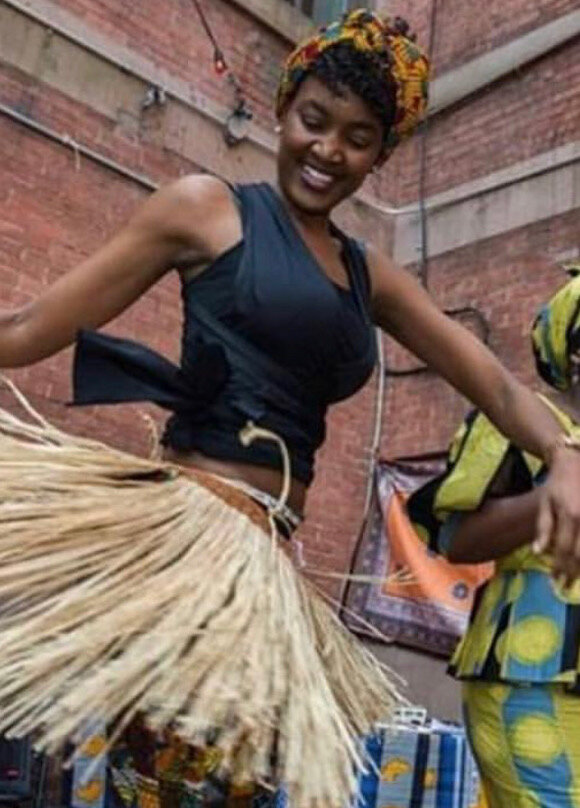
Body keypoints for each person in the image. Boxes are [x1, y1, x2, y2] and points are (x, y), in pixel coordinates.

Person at [0, 7, 578, 807]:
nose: (327, 150)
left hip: (269, 560)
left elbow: (501, 386)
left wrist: (565, 456)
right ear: (281, 110)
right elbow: (29, 330)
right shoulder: (205, 208)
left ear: (379, 155)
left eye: (357, 136)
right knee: (167, 781)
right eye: (314, 120)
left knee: (237, 788)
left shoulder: (368, 271)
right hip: (191, 541)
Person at [407, 267, 580, 808]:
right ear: (574, 353)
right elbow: (459, 539)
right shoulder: (528, 423)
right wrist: (553, 493)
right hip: (532, 673)